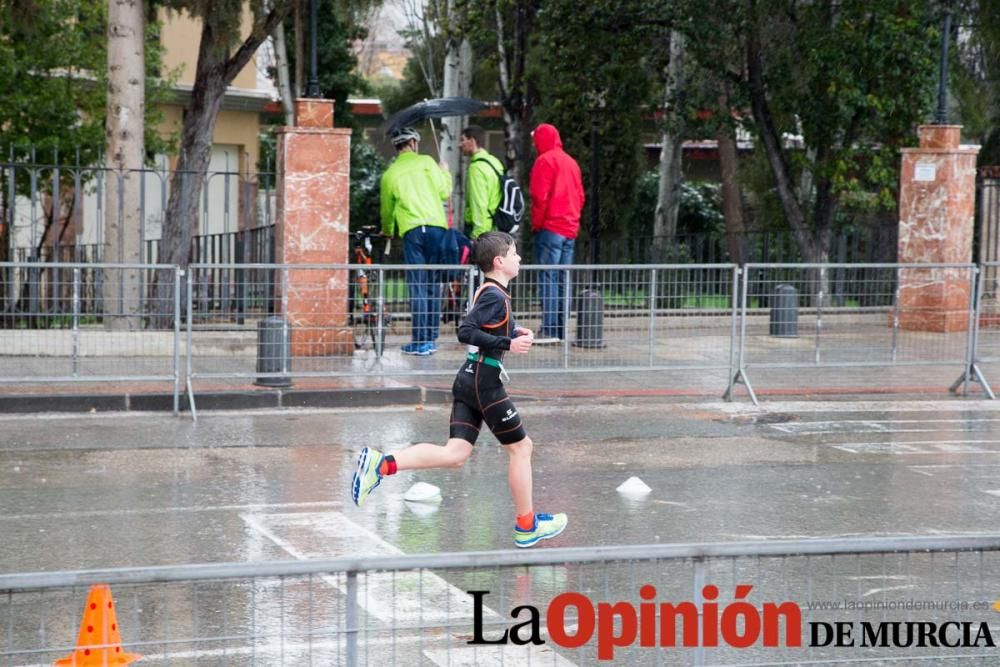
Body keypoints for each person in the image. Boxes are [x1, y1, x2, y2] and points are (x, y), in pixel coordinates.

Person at [351, 231, 568, 548]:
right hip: (483, 382)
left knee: (455, 454)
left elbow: (483, 324)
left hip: (470, 379)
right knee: (522, 448)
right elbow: (466, 330)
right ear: (499, 261)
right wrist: (508, 342)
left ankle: (381, 465)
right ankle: (527, 525)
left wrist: (513, 330)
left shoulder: (491, 291)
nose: (519, 258)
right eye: (515, 253)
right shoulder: (494, 295)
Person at [381, 126, 453, 356]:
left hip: (412, 231)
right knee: (433, 284)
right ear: (413, 142)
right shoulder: (427, 162)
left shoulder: (390, 174)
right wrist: (445, 172)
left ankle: (420, 341)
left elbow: (387, 210)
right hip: (437, 228)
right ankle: (431, 338)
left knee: (417, 286)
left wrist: (388, 230)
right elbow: (444, 192)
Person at [529, 123, 585, 344]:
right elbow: (580, 196)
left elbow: (539, 197)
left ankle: (550, 328)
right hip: (569, 228)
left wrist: (537, 225)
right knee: (563, 278)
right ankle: (561, 328)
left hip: (550, 227)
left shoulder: (544, 161)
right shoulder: (571, 163)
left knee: (548, 278)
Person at [460, 125, 503, 240]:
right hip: (495, 225)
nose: (460, 145)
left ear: (472, 141)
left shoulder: (476, 168)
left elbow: (478, 203)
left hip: (481, 230)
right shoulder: (495, 162)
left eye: (462, 140)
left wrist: (477, 235)